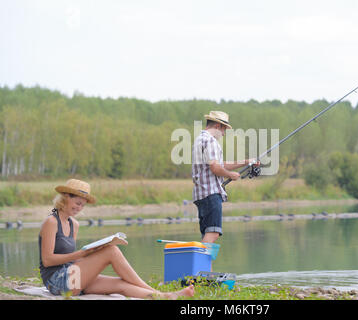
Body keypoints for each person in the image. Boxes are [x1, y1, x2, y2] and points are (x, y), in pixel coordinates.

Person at [39, 179, 195, 299]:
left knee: (120, 284)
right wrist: (81, 254)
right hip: (56, 282)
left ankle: (164, 297)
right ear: (65, 197)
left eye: (83, 205)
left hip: (72, 276)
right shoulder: (51, 222)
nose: (79, 208)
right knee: (112, 251)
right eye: (77, 203)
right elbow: (47, 261)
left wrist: (93, 253)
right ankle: (156, 291)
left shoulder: (74, 224)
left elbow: (70, 261)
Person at [192, 111, 259, 243]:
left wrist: (246, 161)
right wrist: (230, 176)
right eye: (224, 130)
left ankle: (204, 264)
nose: (224, 134)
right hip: (210, 194)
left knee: (208, 233)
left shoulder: (200, 139)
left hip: (201, 195)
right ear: (217, 126)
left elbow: (220, 165)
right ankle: (198, 264)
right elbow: (215, 168)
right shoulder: (210, 141)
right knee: (213, 233)